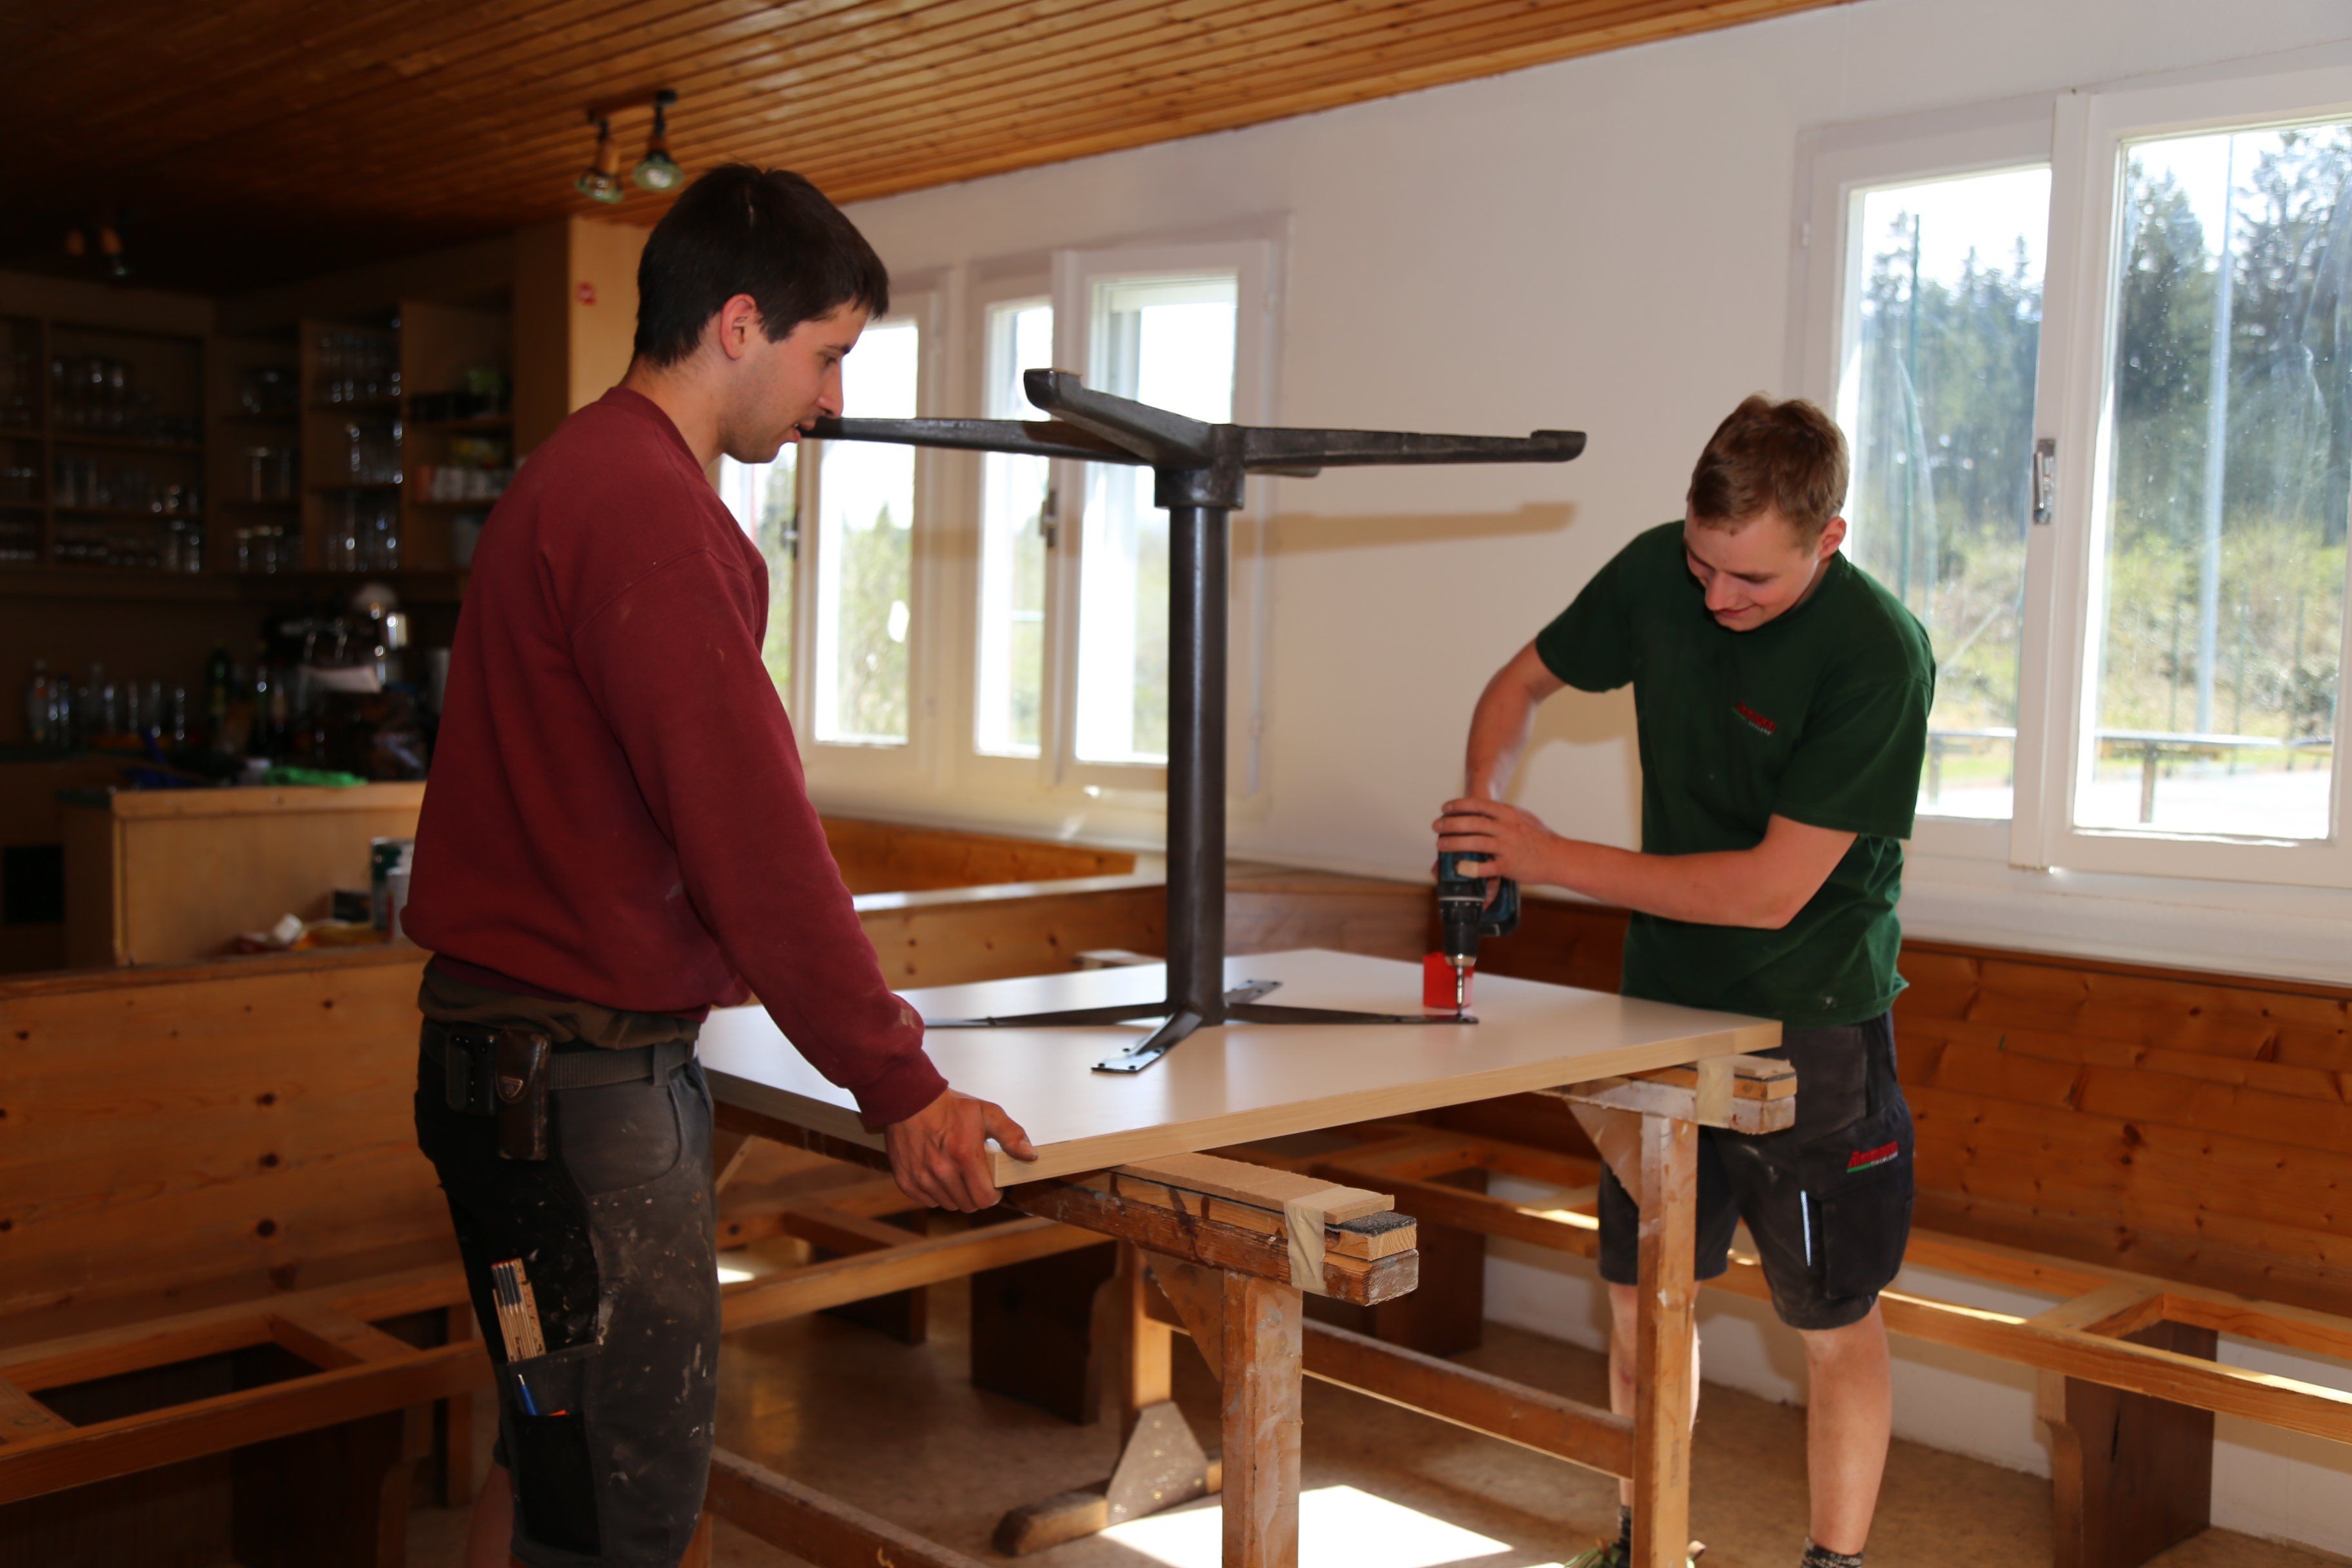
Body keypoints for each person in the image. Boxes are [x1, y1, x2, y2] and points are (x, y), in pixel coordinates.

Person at [402, 164, 1035, 1568]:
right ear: (739, 325)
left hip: (499, 1064)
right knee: (621, 1506)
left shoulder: (577, 472)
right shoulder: (648, 510)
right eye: (828, 356)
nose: (834, 400)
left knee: (546, 1454)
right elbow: (751, 833)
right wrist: (898, 1079)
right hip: (576, 1089)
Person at [1435, 395, 1931, 1568]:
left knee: (1831, 1322)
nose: (1716, 598)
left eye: (1750, 579)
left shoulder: (1876, 654)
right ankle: (1648, 1541)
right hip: (1660, 1008)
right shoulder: (1661, 571)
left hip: (1810, 1018)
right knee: (1642, 1297)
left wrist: (1553, 858)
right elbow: (1516, 687)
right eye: (1705, 565)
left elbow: (1770, 892)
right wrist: (1483, 821)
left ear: (1830, 539)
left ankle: (1833, 1563)